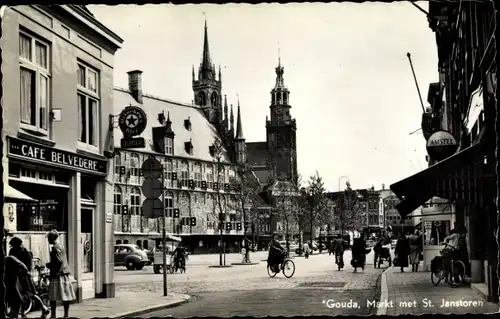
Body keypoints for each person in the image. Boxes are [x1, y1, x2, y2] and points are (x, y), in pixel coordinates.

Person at [7, 237, 50, 318]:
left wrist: (21, 270)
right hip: (16, 277)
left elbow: (28, 267)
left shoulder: (26, 253)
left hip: (25, 276)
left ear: (18, 245)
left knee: (30, 293)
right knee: (21, 295)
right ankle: (23, 313)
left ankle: (43, 307)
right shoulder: (12, 251)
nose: (12, 247)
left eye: (13, 245)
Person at [46, 229, 75, 318]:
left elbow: (58, 261)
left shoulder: (55, 247)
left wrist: (49, 265)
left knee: (52, 296)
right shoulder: (60, 246)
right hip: (64, 273)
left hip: (58, 274)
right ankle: (65, 314)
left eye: (48, 238)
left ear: (51, 238)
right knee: (65, 295)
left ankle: (53, 314)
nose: (48, 240)